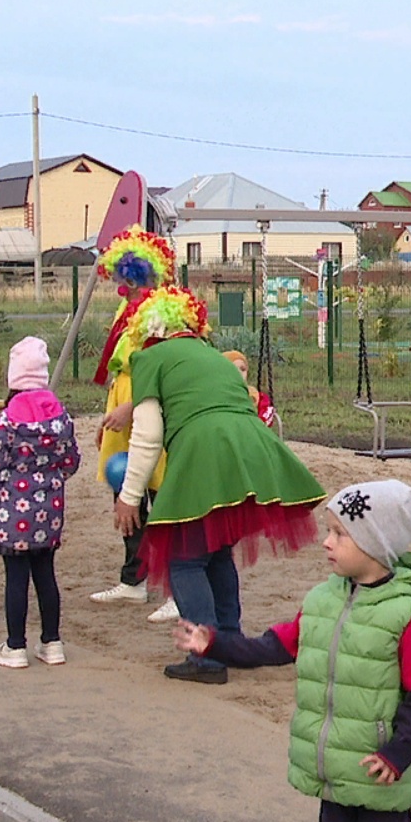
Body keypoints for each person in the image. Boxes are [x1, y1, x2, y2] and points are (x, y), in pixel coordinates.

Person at [173, 481, 411, 822]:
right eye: (329, 530)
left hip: (380, 772)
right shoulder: (322, 600)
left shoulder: (406, 614)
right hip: (335, 767)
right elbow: (275, 646)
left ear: (375, 543)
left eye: (340, 533)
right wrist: (216, 644)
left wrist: (398, 753)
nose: (326, 542)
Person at [114, 286, 326, 685]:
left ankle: (206, 655)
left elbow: (146, 436)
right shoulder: (214, 357)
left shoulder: (149, 357)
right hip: (249, 449)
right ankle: (228, 640)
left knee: (185, 556)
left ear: (148, 329)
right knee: (215, 552)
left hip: (204, 451)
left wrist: (128, 498)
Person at [89, 226, 177, 623]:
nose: (124, 288)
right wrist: (110, 414)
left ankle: (178, 587)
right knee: (124, 492)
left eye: (131, 281)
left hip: (149, 404)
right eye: (123, 281)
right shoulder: (127, 312)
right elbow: (118, 365)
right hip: (124, 403)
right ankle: (134, 579)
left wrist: (132, 407)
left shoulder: (161, 313)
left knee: (162, 494)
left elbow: (159, 367)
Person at [0, 337, 81, 668]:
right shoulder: (60, 418)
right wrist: (50, 476)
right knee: (46, 574)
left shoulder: (7, 421)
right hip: (49, 511)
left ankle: (15, 646)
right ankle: (52, 642)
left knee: (16, 579)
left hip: (13, 513)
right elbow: (72, 461)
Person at [222, 350, 279, 428]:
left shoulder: (255, 396)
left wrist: (259, 423)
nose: (239, 373)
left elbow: (267, 414)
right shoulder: (219, 395)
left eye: (242, 369)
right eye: (233, 369)